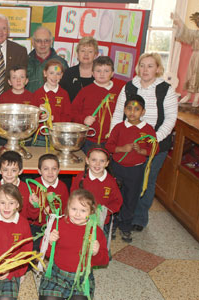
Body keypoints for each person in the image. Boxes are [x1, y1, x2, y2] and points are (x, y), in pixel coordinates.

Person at [110, 53, 178, 232]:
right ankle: (120, 214)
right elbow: (118, 113)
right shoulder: (130, 86)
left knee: (146, 181)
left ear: (157, 69)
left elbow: (170, 119)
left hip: (156, 144)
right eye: (142, 65)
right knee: (125, 181)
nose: (145, 70)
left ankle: (139, 218)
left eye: (150, 66)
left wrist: (153, 139)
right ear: (137, 68)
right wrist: (114, 136)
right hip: (127, 144)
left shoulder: (165, 89)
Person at [38, 189, 109, 300]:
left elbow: (104, 260)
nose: (77, 214)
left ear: (91, 212)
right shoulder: (59, 224)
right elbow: (45, 252)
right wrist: (50, 242)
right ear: (68, 207)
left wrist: (96, 252)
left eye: (83, 210)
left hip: (81, 278)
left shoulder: (95, 231)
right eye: (74, 209)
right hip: (57, 274)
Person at [106, 95, 158, 243]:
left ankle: (126, 226)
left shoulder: (147, 129)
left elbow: (154, 148)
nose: (132, 112)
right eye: (129, 108)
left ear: (143, 112)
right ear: (124, 110)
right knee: (115, 197)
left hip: (135, 171)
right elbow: (109, 146)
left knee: (131, 198)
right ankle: (113, 224)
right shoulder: (119, 127)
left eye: (136, 109)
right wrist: (122, 148)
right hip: (117, 168)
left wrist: (141, 151)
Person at [71, 56, 125, 152]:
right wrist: (83, 119)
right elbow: (72, 112)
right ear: (92, 73)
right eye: (98, 71)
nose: (102, 74)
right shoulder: (85, 91)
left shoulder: (119, 92)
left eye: (106, 71)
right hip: (88, 139)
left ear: (112, 73)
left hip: (111, 140)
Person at [70, 146, 122, 234]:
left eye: (102, 161)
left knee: (99, 244)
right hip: (81, 219)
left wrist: (104, 211)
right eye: (94, 160)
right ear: (87, 160)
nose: (97, 164)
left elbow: (117, 201)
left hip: (101, 222)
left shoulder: (111, 182)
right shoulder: (80, 178)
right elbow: (72, 196)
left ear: (107, 163)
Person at [0, 151, 36, 223]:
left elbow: (32, 217)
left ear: (20, 171)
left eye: (13, 170)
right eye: (5, 170)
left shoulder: (27, 189)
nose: (9, 174)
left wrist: (34, 205)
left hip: (19, 229)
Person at [29, 154, 69, 251]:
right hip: (36, 224)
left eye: (54, 169)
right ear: (39, 171)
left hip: (55, 223)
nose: (50, 172)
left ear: (59, 170)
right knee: (32, 246)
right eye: (46, 169)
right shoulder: (33, 186)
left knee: (61, 244)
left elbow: (65, 210)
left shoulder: (62, 187)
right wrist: (36, 206)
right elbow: (30, 215)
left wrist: (52, 212)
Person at [171, 6, 199, 107]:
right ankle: (188, 95)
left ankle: (196, 98)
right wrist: (178, 22)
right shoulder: (194, 33)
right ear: (197, 21)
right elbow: (185, 32)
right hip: (195, 57)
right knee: (193, 75)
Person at [31, 59, 71, 146]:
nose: (54, 77)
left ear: (62, 76)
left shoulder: (64, 94)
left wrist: (53, 118)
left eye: (58, 74)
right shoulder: (37, 94)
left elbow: (68, 117)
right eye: (51, 73)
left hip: (58, 135)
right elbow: (32, 116)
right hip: (41, 135)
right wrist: (40, 115)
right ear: (45, 73)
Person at [26, 27, 69, 93]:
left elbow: (66, 89)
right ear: (33, 42)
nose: (43, 44)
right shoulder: (25, 62)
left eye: (46, 41)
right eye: (38, 41)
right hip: (30, 102)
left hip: (54, 102)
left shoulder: (62, 63)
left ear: (51, 42)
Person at [60, 36, 98, 102]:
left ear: (95, 55)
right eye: (83, 51)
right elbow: (61, 97)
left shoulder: (100, 74)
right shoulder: (68, 73)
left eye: (90, 51)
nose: (86, 54)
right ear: (77, 54)